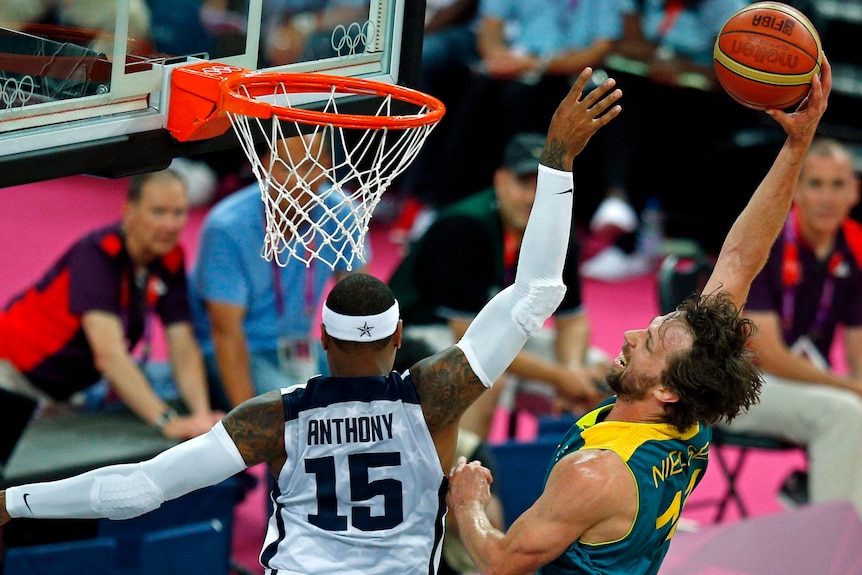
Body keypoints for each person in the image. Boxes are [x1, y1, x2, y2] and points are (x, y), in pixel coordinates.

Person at [0, 67, 623, 574]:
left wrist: (13, 502)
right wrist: (558, 157)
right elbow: (537, 291)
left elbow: (139, 489)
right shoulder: (436, 392)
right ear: (398, 337)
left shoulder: (271, 417)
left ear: (321, 338)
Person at [446, 57, 832, 575]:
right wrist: (796, 144)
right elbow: (741, 256)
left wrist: (466, 502)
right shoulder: (689, 418)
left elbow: (500, 562)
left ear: (668, 389)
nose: (628, 335)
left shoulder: (595, 473)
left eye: (649, 343)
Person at [389, 131, 610, 440]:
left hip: (502, 330)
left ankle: (568, 481)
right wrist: (561, 377)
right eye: (523, 183)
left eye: (541, 186)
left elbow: (572, 318)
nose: (532, 198)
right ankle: (457, 480)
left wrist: (572, 368)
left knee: (602, 375)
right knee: (481, 379)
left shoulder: (556, 229)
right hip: (424, 331)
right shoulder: (465, 226)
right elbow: (469, 338)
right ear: (501, 181)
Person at [0, 169, 224, 461]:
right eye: (158, 212)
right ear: (129, 211)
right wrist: (166, 421)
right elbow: (110, 357)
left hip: (69, 390)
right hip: (11, 377)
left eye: (179, 212)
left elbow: (181, 342)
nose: (170, 225)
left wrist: (201, 416)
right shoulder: (97, 255)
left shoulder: (170, 259)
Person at [719, 136, 862, 516]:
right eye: (815, 184)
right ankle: (833, 546)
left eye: (838, 184)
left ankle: (814, 495)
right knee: (845, 412)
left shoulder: (854, 249)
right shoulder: (768, 242)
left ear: (855, 192)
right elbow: (765, 355)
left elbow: (859, 345)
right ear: (796, 190)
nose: (827, 198)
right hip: (735, 384)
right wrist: (847, 386)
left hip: (799, 383)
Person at [189, 133, 367, 412]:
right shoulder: (227, 227)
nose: (298, 181)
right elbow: (226, 334)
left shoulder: (343, 214)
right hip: (241, 349)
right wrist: (251, 420)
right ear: (263, 166)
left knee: (369, 397)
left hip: (300, 346)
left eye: (309, 167)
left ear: (327, 166)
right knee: (300, 413)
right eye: (286, 167)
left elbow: (360, 306)